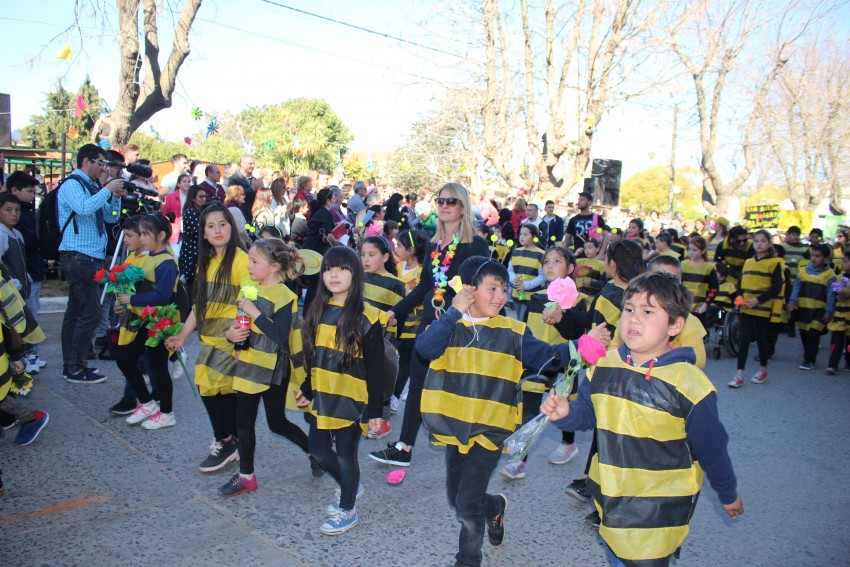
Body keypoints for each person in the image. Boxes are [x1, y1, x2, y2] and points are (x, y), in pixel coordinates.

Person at [417, 256, 608, 567]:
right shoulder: (451, 325)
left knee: (465, 503)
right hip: (455, 428)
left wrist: (583, 345)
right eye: (491, 288)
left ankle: (467, 560)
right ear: (470, 291)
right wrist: (453, 312)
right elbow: (425, 349)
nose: (500, 296)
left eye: (503, 289)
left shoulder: (513, 331)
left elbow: (548, 356)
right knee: (457, 498)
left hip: (492, 429)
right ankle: (493, 507)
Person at [542, 271, 743, 566]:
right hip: (611, 497)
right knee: (617, 553)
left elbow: (711, 447)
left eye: (648, 312)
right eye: (629, 309)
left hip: (659, 506)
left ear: (674, 325)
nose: (634, 319)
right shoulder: (604, 366)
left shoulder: (689, 384)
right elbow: (589, 414)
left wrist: (727, 493)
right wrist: (566, 413)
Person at [369, 183, 489, 468]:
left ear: (463, 206)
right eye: (440, 201)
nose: (444, 205)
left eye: (451, 201)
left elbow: (484, 288)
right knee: (419, 382)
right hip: (430, 324)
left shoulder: (476, 245)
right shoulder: (434, 244)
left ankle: (469, 444)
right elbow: (425, 285)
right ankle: (404, 446)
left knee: (459, 387)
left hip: (460, 325)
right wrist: (396, 311)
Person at [218, 238, 321, 497]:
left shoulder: (285, 295)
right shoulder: (249, 287)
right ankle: (246, 476)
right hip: (248, 364)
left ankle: (314, 451)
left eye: (255, 261)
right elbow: (238, 324)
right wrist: (231, 334)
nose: (249, 266)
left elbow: (279, 334)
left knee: (276, 423)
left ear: (274, 266)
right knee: (243, 423)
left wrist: (253, 311)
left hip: (273, 369)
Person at [296, 246, 384, 536]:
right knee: (318, 449)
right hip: (322, 394)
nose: (334, 274)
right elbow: (313, 354)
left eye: (342, 268)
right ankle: (351, 486)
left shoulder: (368, 317)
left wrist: (374, 412)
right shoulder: (317, 309)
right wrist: (307, 387)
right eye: (328, 268)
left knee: (346, 454)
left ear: (355, 275)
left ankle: (348, 508)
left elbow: (375, 369)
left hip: (351, 399)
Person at [166, 204, 248, 472]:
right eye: (210, 226)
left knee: (209, 386)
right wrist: (181, 335)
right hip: (210, 338)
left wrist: (241, 336)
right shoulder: (207, 261)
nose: (217, 230)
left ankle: (226, 441)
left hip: (231, 337)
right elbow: (198, 307)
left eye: (222, 224)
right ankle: (233, 439)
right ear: (202, 233)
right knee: (219, 390)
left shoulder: (240, 260)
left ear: (231, 227)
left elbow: (249, 300)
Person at [501, 247, 589, 480]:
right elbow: (526, 330)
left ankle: (568, 443)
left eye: (557, 261)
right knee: (529, 409)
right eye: (546, 262)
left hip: (565, 360)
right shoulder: (536, 296)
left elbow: (576, 333)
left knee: (561, 405)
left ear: (570, 268)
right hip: (537, 359)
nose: (549, 266)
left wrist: (561, 317)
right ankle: (520, 460)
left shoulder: (579, 300)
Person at [58, 143, 125, 384]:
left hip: (90, 256)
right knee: (90, 312)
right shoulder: (72, 184)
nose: (104, 168)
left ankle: (72, 365)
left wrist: (115, 197)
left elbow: (110, 217)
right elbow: (84, 209)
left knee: (76, 312)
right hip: (78, 256)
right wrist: (107, 190)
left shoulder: (92, 186)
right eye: (101, 163)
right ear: (86, 161)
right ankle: (76, 367)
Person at [116, 214, 179, 430]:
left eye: (145, 234)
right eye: (140, 234)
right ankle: (146, 402)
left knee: (158, 367)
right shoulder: (148, 257)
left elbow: (162, 296)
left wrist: (131, 299)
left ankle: (167, 412)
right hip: (146, 319)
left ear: (160, 235)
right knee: (125, 358)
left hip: (161, 322)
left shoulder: (166, 262)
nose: (141, 238)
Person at [359, 235, 405, 439]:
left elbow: (401, 315)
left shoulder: (396, 284)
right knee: (360, 377)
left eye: (372, 254)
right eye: (362, 255)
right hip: (358, 336)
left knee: (382, 379)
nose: (366, 259)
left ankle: (383, 421)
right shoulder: (357, 277)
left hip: (384, 339)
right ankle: (361, 418)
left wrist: (394, 321)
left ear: (386, 256)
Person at [728, 229, 784, 388]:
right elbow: (741, 285)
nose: (759, 244)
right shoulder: (748, 262)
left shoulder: (774, 263)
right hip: (746, 306)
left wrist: (758, 300)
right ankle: (739, 375)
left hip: (762, 307)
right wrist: (739, 298)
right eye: (756, 241)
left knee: (761, 339)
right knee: (744, 339)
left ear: (769, 244)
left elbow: (776, 287)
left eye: (763, 241)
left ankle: (763, 370)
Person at [6, 172, 46, 373]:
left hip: (29, 276)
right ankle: (21, 356)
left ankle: (30, 354)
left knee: (31, 315)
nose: (14, 214)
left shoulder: (25, 218)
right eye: (29, 191)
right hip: (12, 286)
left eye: (16, 211)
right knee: (18, 321)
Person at [391, 229, 426, 414]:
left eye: (400, 246)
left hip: (414, 326)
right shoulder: (397, 268)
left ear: (411, 250)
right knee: (397, 360)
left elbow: (418, 296)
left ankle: (395, 396)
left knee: (405, 361)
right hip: (397, 324)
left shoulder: (422, 271)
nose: (396, 249)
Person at [787, 243, 835, 370]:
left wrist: (829, 311)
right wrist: (792, 302)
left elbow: (831, 294)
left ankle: (809, 360)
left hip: (819, 310)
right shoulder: (802, 272)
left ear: (825, 258)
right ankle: (807, 355)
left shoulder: (830, 275)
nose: (814, 258)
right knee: (804, 333)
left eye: (818, 256)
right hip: (803, 308)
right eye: (813, 255)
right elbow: (796, 288)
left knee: (813, 334)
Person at [302, 189, 337, 310]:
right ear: (328, 200)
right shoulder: (325, 214)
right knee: (316, 285)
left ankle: (308, 312)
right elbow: (327, 236)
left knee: (314, 285)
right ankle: (310, 312)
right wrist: (337, 240)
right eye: (332, 198)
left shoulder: (318, 212)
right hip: (316, 253)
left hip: (309, 250)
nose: (334, 200)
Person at [507, 223, 545, 322]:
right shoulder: (516, 252)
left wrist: (527, 285)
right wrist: (513, 279)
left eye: (525, 234)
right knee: (519, 320)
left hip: (532, 295)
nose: (522, 237)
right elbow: (510, 270)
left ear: (534, 237)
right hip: (517, 293)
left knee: (527, 321)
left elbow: (543, 276)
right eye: (520, 234)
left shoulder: (541, 254)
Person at [0, 194, 30, 309]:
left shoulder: (18, 234)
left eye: (17, 210)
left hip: (20, 295)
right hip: (7, 297)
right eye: (8, 210)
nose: (14, 214)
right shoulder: (1, 235)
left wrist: (27, 278)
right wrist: (13, 284)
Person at [681, 235, 719, 323]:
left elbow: (714, 288)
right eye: (689, 249)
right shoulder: (683, 265)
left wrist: (706, 304)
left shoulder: (708, 267)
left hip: (699, 307)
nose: (691, 252)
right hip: (684, 305)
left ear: (703, 251)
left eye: (695, 250)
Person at [178, 184, 207, 289]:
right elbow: (197, 233)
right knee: (190, 281)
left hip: (197, 249)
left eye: (204, 196)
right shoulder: (190, 212)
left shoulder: (200, 211)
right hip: (191, 251)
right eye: (201, 197)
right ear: (193, 198)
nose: (204, 199)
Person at [826, 253, 850, 374]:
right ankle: (832, 364)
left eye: (846, 261)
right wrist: (838, 296)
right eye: (843, 261)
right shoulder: (838, 277)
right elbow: (832, 295)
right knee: (837, 340)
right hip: (839, 314)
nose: (843, 264)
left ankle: (848, 362)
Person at [161, 172, 192, 257]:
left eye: (188, 181)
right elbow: (164, 213)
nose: (187, 183)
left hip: (189, 229)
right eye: (184, 181)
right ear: (178, 184)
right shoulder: (170, 197)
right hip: (175, 230)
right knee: (176, 254)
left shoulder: (192, 197)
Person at [226, 155, 256, 223]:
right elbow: (234, 196)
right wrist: (252, 188)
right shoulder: (233, 179)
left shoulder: (254, 180)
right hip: (241, 216)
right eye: (250, 164)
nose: (253, 166)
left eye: (254, 164)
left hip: (252, 217)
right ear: (242, 164)